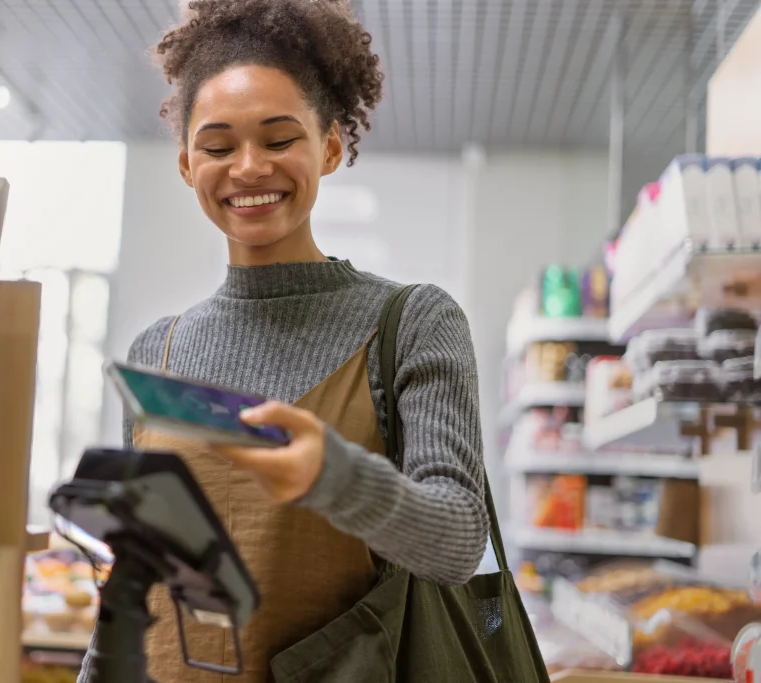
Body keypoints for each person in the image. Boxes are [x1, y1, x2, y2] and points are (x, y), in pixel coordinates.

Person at [80, 0, 489, 681]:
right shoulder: (161, 349)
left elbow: (456, 541)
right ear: (186, 164)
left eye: (278, 139)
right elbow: (138, 575)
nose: (247, 168)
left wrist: (336, 476)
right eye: (217, 146)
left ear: (329, 146)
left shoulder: (411, 321)